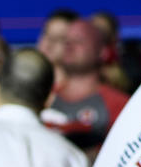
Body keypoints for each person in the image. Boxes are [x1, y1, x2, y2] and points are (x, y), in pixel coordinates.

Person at [43, 18, 129, 149]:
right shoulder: (44, 96)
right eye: (66, 41)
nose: (69, 45)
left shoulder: (118, 105)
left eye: (79, 41)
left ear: (102, 52)